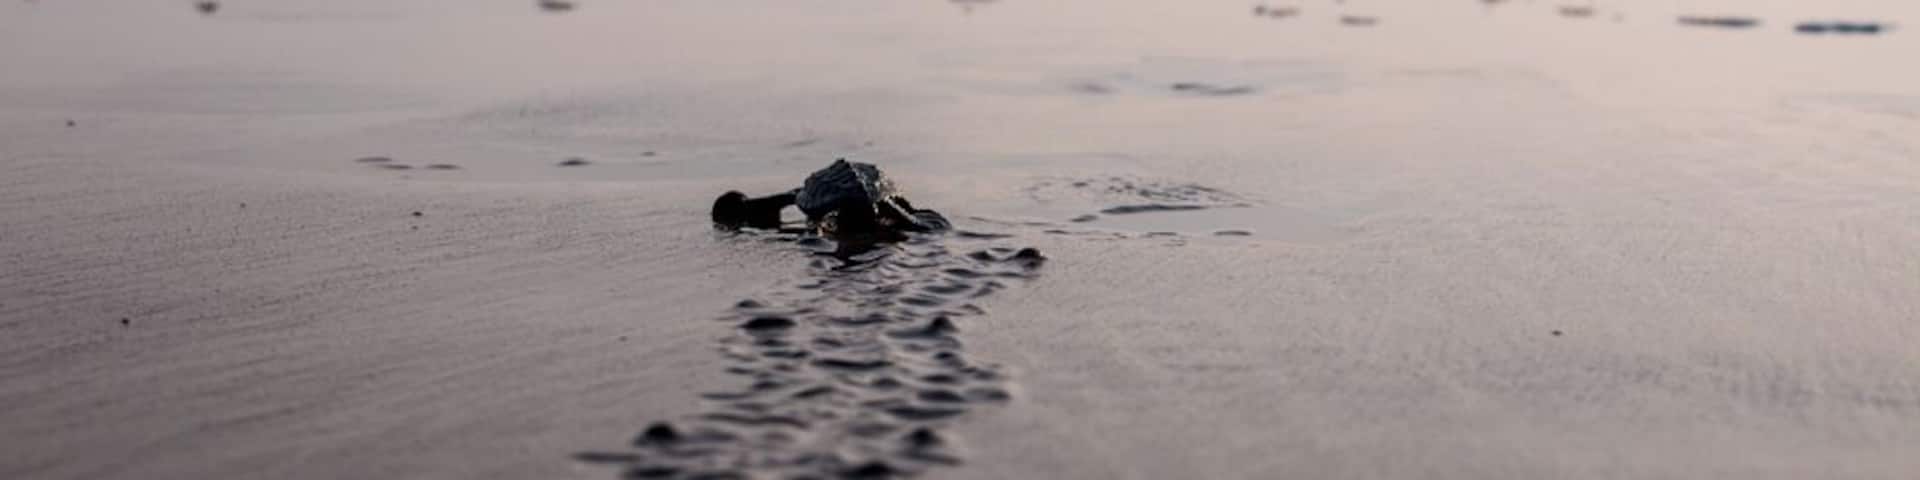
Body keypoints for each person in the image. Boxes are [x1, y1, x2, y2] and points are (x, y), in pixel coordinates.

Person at [712, 159, 949, 251]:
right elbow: (900, 204)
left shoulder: (815, 185)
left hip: (846, 212)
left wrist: (741, 206)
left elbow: (790, 198)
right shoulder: (874, 179)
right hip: (881, 204)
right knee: (910, 226)